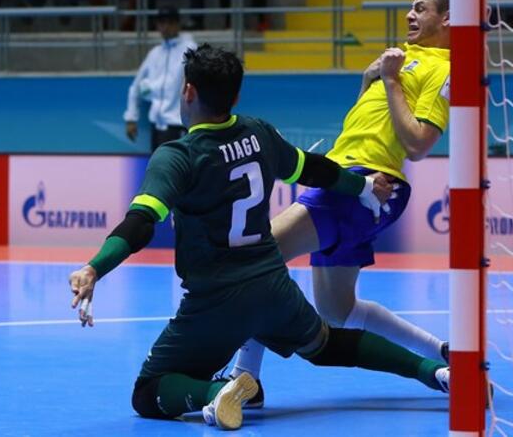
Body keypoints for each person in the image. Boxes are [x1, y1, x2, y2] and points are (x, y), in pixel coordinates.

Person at [70, 44, 450, 430]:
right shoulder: (258, 133)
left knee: (147, 392)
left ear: (187, 92)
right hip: (274, 289)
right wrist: (363, 187)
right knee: (326, 343)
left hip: (215, 300)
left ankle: (217, 393)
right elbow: (315, 170)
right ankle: (434, 372)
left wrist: (95, 267)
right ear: (235, 96)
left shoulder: (176, 156)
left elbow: (141, 223)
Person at [229, 0, 453, 400]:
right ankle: (441, 352)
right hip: (345, 180)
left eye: (420, 9)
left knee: (255, 259)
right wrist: (372, 81)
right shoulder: (400, 58)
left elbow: (419, 144)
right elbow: (367, 124)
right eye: (410, 6)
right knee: (339, 311)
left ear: (447, 19)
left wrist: (388, 81)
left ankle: (247, 377)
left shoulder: (443, 68)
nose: (409, 15)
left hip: (367, 185)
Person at [124, 7, 196, 150]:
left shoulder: (190, 49)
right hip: (157, 126)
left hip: (179, 124)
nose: (165, 27)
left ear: (178, 24)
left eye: (170, 23)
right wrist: (131, 117)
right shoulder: (155, 53)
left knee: (179, 170)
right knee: (159, 170)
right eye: (161, 23)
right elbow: (136, 86)